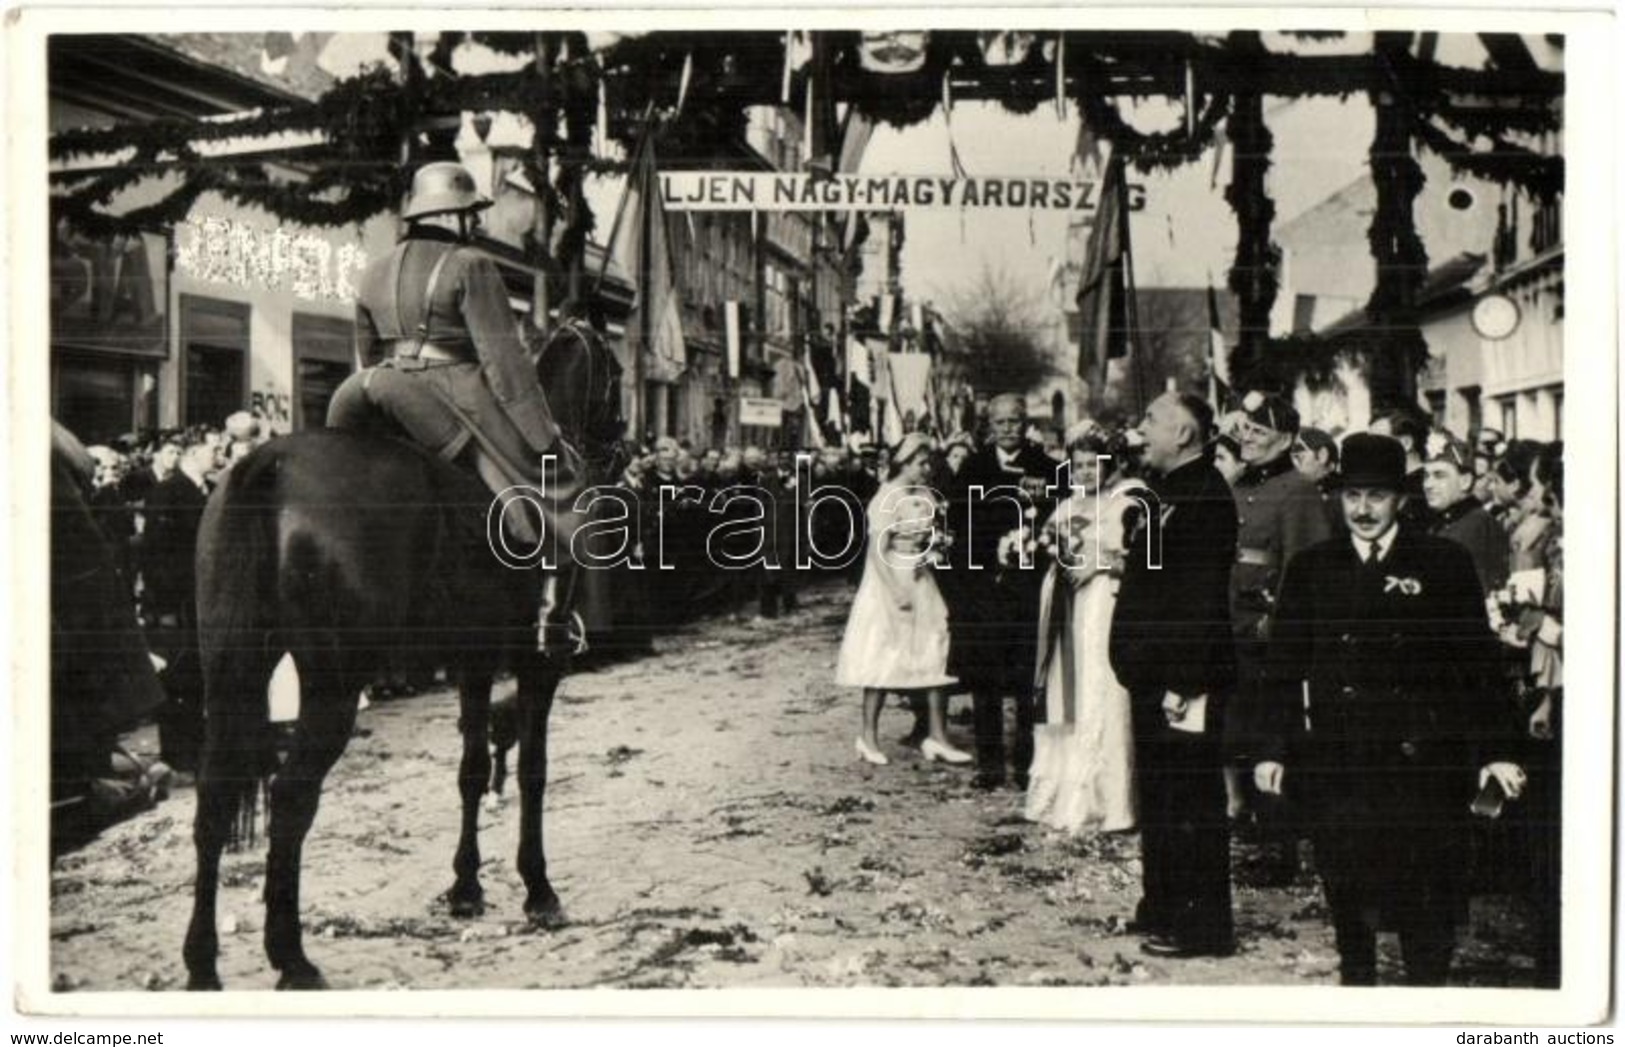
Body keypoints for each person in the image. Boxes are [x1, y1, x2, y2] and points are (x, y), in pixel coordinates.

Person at [1255, 433, 1526, 985]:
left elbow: (1479, 665)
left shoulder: (1443, 562)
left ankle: (1425, 1003)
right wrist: (1271, 747)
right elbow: (1282, 669)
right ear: (1338, 498)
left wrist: (1497, 751)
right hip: (1342, 762)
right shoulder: (1313, 567)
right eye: (1353, 496)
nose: (1363, 510)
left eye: (1377, 497)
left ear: (1401, 500)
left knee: (1428, 911)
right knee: (1351, 906)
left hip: (1424, 765)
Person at [326, 161, 580, 652]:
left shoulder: (373, 270)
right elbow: (504, 363)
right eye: (470, 214)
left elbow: (367, 349)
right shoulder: (471, 265)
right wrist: (542, 437)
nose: (475, 224)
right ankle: (550, 616)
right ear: (449, 216)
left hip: (369, 390)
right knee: (548, 488)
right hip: (450, 395)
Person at [1109, 391, 1238, 958]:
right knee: (1161, 799)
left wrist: (1183, 682)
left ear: (1184, 434)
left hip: (1182, 680)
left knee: (1191, 804)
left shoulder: (1205, 498)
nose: (1141, 430)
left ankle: (1202, 925)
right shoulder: (1167, 495)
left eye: (1152, 421)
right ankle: (1161, 903)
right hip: (1150, 676)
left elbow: (1198, 601)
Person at [1224, 391, 1334, 882]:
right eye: (1244, 428)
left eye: (1259, 432)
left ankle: (1279, 849)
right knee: (1241, 735)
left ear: (1287, 439)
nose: (1246, 438)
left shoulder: (1298, 490)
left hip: (1270, 635)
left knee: (1274, 738)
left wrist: (1279, 625)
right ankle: (1254, 832)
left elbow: (1304, 568)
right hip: (1234, 629)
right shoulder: (1239, 485)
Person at [1024, 423, 1145, 833]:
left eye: (1094, 466)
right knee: (1066, 687)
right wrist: (1048, 553)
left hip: (1101, 604)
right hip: (1066, 605)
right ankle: (1064, 788)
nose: (1085, 473)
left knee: (1100, 687)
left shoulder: (1127, 500)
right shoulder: (1068, 505)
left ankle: (1111, 801)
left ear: (1109, 466)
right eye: (1078, 466)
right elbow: (1049, 540)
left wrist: (1102, 563)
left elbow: (1145, 559)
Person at [940, 393, 1059, 790]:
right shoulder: (972, 468)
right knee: (986, 680)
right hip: (985, 594)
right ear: (989, 427)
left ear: (1025, 423)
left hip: (1027, 593)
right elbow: (959, 528)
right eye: (1000, 423)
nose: (1008, 429)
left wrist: (1035, 551)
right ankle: (989, 764)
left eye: (1015, 421)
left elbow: (1057, 525)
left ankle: (1027, 763)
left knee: (1027, 681)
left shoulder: (1046, 468)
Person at [835, 433, 968, 767]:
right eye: (921, 463)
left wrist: (932, 552)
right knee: (882, 655)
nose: (927, 469)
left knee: (935, 649)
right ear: (905, 463)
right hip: (889, 579)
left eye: (928, 463)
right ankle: (867, 736)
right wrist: (895, 590)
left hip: (922, 578)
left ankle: (937, 735)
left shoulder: (924, 496)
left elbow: (933, 535)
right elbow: (877, 552)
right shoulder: (885, 498)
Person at [140, 433, 216, 772]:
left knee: (197, 678)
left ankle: (197, 746)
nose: (219, 454)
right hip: (176, 604)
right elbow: (155, 555)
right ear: (193, 453)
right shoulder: (167, 493)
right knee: (177, 679)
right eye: (214, 449)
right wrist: (166, 605)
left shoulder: (210, 492)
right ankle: (177, 752)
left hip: (202, 602)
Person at [1422, 433, 1510, 595]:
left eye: (1439, 475)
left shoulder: (1478, 525)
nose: (1428, 484)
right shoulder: (1443, 523)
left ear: (1465, 481)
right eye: (1425, 476)